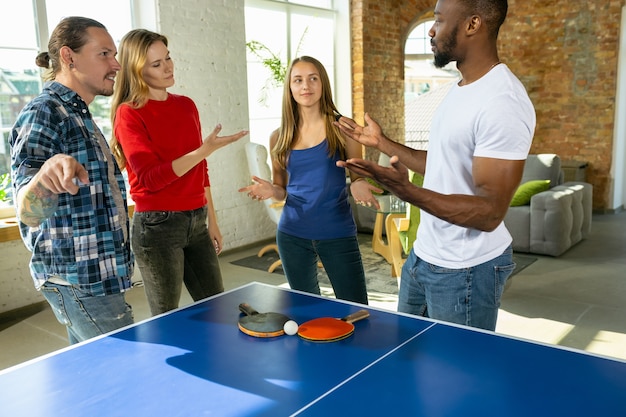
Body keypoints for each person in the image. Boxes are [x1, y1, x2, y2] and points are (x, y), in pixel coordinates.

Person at [335, 0, 536, 330]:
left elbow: (488, 213)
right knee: (408, 360)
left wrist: (408, 191)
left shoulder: (503, 101)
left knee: (458, 376)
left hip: (466, 269)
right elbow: (444, 164)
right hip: (423, 256)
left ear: (472, 25)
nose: (431, 30)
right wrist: (382, 143)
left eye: (440, 21)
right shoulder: (459, 89)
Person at [10, 17, 135, 344]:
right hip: (80, 281)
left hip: (97, 278)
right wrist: (44, 180)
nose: (116, 64)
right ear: (69, 56)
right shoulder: (45, 111)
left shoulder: (80, 115)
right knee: (123, 375)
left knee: (92, 378)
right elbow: (27, 212)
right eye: (105, 54)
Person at [110, 29, 248, 316]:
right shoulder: (129, 113)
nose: (168, 67)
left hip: (197, 219)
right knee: (166, 316)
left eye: (168, 58)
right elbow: (150, 178)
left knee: (216, 307)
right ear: (136, 70)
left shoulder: (186, 106)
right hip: (157, 226)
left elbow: (201, 171)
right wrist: (203, 151)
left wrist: (212, 221)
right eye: (156, 64)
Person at [239, 56, 379, 304]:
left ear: (322, 83)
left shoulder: (343, 127)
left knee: (356, 309)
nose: (306, 86)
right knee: (305, 311)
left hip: (337, 233)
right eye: (298, 80)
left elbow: (357, 175)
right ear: (290, 88)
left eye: (313, 78)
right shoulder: (279, 137)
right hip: (292, 235)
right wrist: (272, 189)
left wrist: (358, 183)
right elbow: (282, 190)